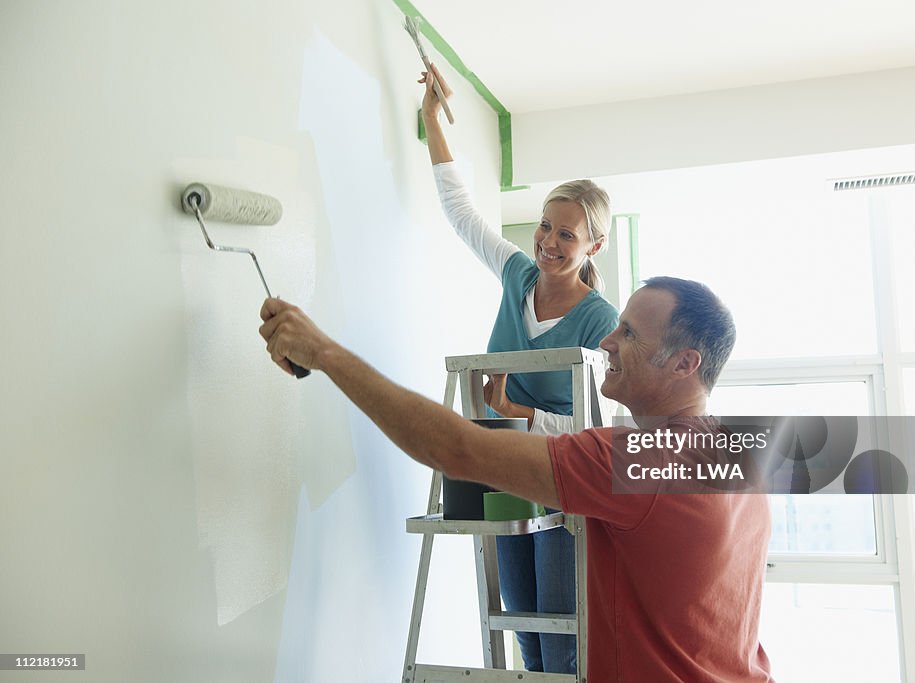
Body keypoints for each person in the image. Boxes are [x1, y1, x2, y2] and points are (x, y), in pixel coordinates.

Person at [258, 277, 775, 682]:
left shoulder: (639, 463)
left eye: (631, 334)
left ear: (685, 363)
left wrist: (325, 353)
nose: (607, 341)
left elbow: (454, 449)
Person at [418, 64, 619, 673]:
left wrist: (517, 412)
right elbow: (460, 210)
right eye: (544, 226)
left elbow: (598, 437)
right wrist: (431, 115)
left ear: (593, 248)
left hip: (561, 484)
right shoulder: (516, 276)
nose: (548, 242)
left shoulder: (601, 321)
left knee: (558, 637)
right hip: (498, 473)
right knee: (521, 634)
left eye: (566, 235)